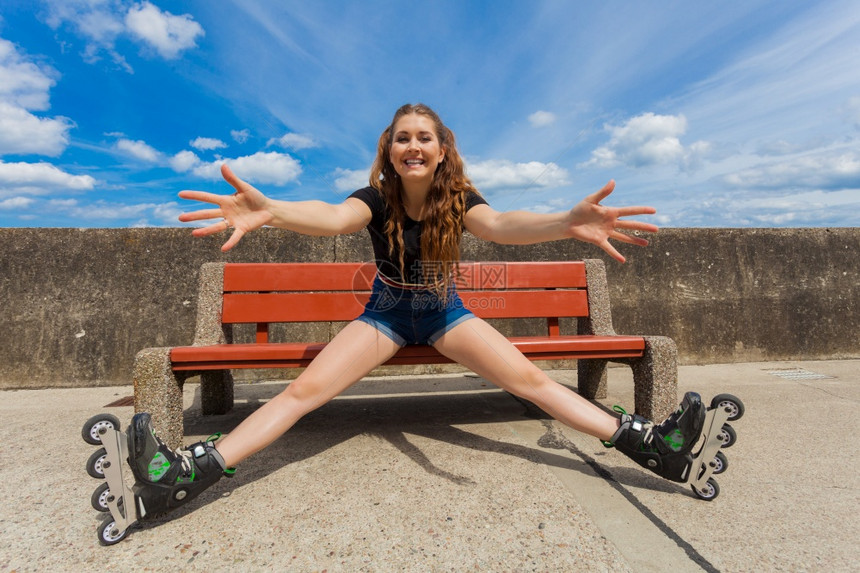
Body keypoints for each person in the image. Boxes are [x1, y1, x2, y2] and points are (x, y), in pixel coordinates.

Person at [127, 103, 707, 513]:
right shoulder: (373, 198)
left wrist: (564, 222)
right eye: (402, 137)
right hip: (385, 314)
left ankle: (655, 447)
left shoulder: (460, 199)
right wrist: (272, 209)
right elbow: (331, 218)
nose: (412, 145)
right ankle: (184, 474)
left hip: (443, 312)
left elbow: (502, 226)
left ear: (441, 149)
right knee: (302, 393)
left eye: (423, 136)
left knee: (531, 380)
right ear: (389, 150)